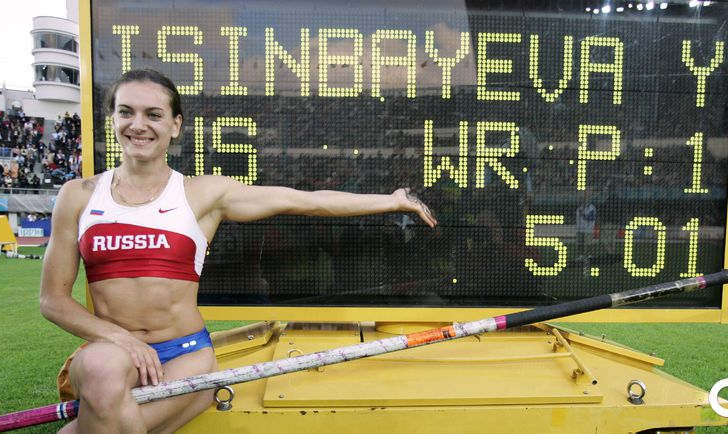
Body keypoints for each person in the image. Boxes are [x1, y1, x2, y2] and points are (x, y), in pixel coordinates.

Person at [39, 68, 436, 434]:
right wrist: (120, 338)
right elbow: (53, 299)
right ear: (112, 118)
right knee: (102, 369)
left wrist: (390, 200)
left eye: (153, 115)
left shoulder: (203, 194)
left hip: (184, 353)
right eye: (126, 112)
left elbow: (304, 200)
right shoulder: (78, 196)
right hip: (111, 351)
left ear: (175, 125)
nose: (138, 124)